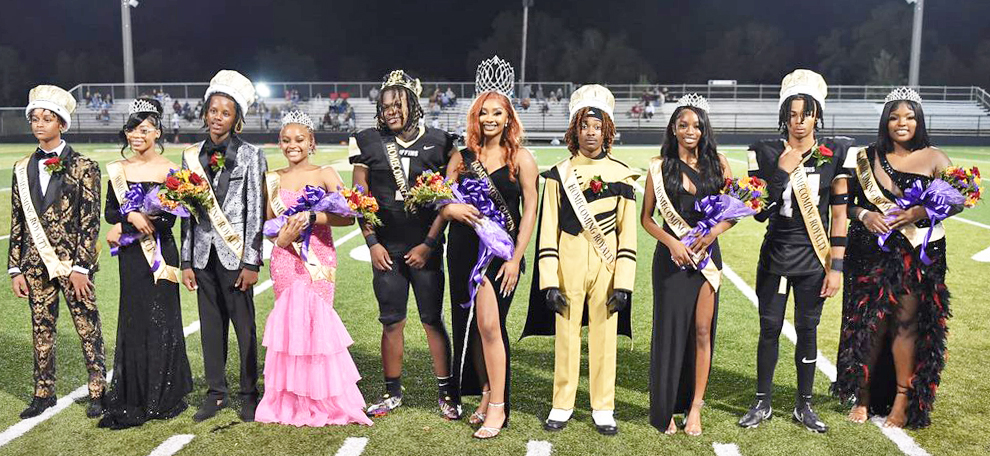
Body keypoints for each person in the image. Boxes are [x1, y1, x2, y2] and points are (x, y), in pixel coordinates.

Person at [833, 88, 957, 429]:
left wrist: (918, 211)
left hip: (918, 253)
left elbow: (958, 201)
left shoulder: (935, 157)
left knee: (906, 324)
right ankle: (863, 396)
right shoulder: (865, 156)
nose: (902, 123)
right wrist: (865, 215)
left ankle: (902, 400)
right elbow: (844, 204)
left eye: (909, 117)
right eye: (894, 117)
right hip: (869, 249)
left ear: (919, 121)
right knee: (869, 324)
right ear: (884, 122)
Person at [739, 69, 854, 433]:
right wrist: (780, 173)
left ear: (817, 115)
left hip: (814, 260)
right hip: (776, 255)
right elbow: (758, 213)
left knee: (807, 329)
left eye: (806, 114)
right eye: (791, 114)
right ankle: (762, 401)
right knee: (769, 328)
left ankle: (804, 405)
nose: (799, 121)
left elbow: (840, 215)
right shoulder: (765, 151)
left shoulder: (836, 152)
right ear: (783, 116)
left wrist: (836, 268)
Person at [522, 85, 639, 435]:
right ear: (575, 129)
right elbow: (548, 230)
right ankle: (562, 403)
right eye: (584, 126)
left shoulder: (622, 173)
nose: (591, 133)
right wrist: (549, 281)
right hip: (567, 264)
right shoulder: (558, 174)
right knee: (566, 336)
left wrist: (624, 283)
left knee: (605, 337)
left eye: (597, 126)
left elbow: (628, 233)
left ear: (607, 130)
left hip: (608, 266)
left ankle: (603, 407)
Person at [349, 70, 461, 420]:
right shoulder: (367, 140)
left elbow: (447, 200)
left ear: (413, 103)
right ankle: (392, 391)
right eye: (385, 106)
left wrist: (428, 244)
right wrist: (372, 243)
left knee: (432, 320)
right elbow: (359, 197)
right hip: (387, 249)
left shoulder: (441, 142)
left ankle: (447, 392)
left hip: (426, 248)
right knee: (391, 322)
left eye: (398, 105)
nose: (391, 112)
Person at [440, 56, 538, 439]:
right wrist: (451, 208)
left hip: (500, 255)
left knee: (490, 326)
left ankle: (498, 406)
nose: (490, 119)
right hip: (463, 249)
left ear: (509, 117)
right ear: (475, 118)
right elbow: (441, 200)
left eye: (497, 112)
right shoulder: (462, 158)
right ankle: (484, 395)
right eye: (484, 113)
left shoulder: (522, 158)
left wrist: (515, 258)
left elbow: (530, 212)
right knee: (475, 328)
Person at [255, 110, 373, 427]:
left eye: (299, 139)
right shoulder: (272, 178)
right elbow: (268, 222)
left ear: (311, 142)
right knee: (290, 323)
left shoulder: (325, 173)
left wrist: (312, 217)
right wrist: (280, 238)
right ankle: (291, 400)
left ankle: (322, 399)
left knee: (316, 323)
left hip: (318, 256)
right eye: (286, 140)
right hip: (285, 258)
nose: (292, 145)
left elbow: (348, 217)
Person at [8, 85, 106, 419]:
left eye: (47, 118)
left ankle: (98, 390)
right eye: (35, 118)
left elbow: (91, 221)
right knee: (41, 327)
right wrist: (15, 268)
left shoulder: (84, 166)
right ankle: (43, 392)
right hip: (34, 264)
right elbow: (18, 221)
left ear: (62, 124)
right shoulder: (21, 167)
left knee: (87, 327)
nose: (39, 124)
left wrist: (81, 267)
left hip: (73, 265)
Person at [180, 70, 268, 423]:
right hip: (202, 255)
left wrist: (252, 261)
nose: (218, 117)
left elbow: (256, 211)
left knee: (244, 327)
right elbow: (187, 213)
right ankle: (216, 393)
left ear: (236, 119)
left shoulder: (251, 155)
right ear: (205, 113)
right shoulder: (190, 156)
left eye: (225, 113)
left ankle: (249, 393)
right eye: (213, 110)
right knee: (210, 326)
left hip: (236, 255)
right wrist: (186, 260)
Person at [643, 94, 733, 436]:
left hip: (707, 258)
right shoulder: (659, 166)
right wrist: (672, 242)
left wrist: (713, 234)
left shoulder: (719, 164)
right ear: (674, 129)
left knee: (702, 331)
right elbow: (647, 218)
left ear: (704, 129)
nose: (690, 130)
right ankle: (665, 408)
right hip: (672, 258)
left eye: (696, 125)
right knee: (669, 333)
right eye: (683, 125)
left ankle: (695, 407)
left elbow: (733, 211)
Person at [100, 98, 192, 429]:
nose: (136, 135)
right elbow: (110, 211)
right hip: (130, 256)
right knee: (134, 318)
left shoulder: (170, 171)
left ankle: (164, 393)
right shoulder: (118, 169)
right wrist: (129, 218)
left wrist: (138, 218)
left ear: (157, 132)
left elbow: (170, 219)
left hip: (161, 253)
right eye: (131, 129)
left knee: (162, 319)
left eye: (143, 129)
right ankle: (136, 391)